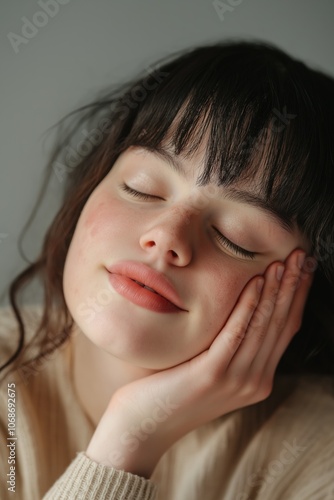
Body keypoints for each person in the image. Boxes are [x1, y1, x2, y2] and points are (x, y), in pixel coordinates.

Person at [1, 40, 334, 499]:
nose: (168, 238)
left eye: (236, 237)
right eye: (142, 188)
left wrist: (132, 441)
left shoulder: (319, 455)